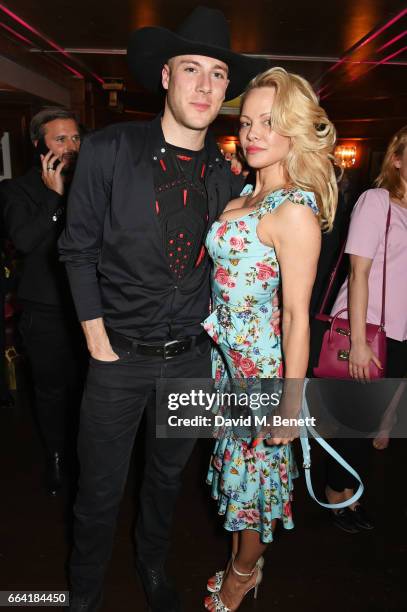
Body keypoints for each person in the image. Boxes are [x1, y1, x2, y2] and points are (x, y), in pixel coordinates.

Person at [58, 7, 268, 612]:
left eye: (219, 75)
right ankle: (84, 594)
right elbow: (76, 250)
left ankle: (151, 565)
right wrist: (96, 340)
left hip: (192, 363)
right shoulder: (107, 150)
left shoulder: (230, 177)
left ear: (228, 90)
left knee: (166, 481)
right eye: (192, 69)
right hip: (117, 358)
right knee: (97, 490)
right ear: (167, 77)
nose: (205, 85)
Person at [201, 67, 337, 612]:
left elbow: (297, 316)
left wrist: (291, 402)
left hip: (261, 373)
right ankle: (241, 560)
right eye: (248, 121)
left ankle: (241, 574)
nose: (252, 133)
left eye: (269, 122)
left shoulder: (293, 211)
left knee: (253, 485)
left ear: (294, 131)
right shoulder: (243, 193)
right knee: (236, 480)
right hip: (226, 365)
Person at [324, 125, 407, 529]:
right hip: (368, 327)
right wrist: (357, 341)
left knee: (374, 421)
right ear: (396, 159)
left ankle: (352, 494)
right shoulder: (377, 202)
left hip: (401, 331)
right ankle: (338, 498)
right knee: (355, 418)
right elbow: (358, 273)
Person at [0, 108, 83, 495]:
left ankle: (86, 459)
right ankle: (55, 460)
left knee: (89, 391)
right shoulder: (17, 190)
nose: (69, 147)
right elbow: (26, 240)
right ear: (39, 145)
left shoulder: (91, 183)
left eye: (74, 138)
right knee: (51, 392)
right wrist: (54, 199)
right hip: (45, 311)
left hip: (92, 311)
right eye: (59, 139)